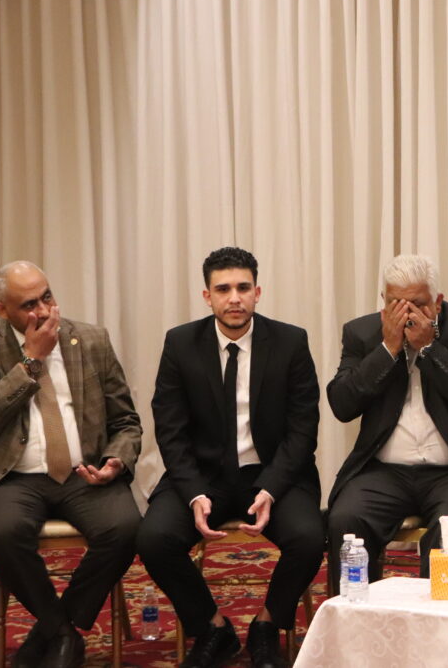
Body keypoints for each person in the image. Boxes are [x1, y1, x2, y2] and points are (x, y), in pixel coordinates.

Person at [137, 247, 324, 668]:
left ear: (258, 292)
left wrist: (271, 489)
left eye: (243, 288)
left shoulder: (290, 342)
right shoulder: (180, 343)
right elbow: (170, 430)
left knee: (310, 538)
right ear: (207, 296)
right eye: (223, 289)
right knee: (154, 538)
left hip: (272, 473)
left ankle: (267, 625)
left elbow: (303, 430)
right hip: (203, 476)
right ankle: (212, 628)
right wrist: (193, 493)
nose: (234, 298)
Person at [0, 261, 142, 668]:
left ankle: (51, 629)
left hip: (84, 474)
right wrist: (31, 360)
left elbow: (126, 421)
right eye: (29, 304)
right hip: (13, 477)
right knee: (3, 532)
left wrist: (115, 461)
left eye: (46, 297)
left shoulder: (91, 339)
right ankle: (63, 634)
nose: (44, 311)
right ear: (3, 310)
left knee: (126, 527)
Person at [326, 254, 448, 588]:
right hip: (384, 471)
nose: (406, 315)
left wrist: (429, 348)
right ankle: (356, 613)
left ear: (437, 302)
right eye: (396, 305)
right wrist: (387, 349)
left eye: (417, 304)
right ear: (383, 302)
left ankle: (441, 614)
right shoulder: (362, 332)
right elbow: (342, 404)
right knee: (346, 519)